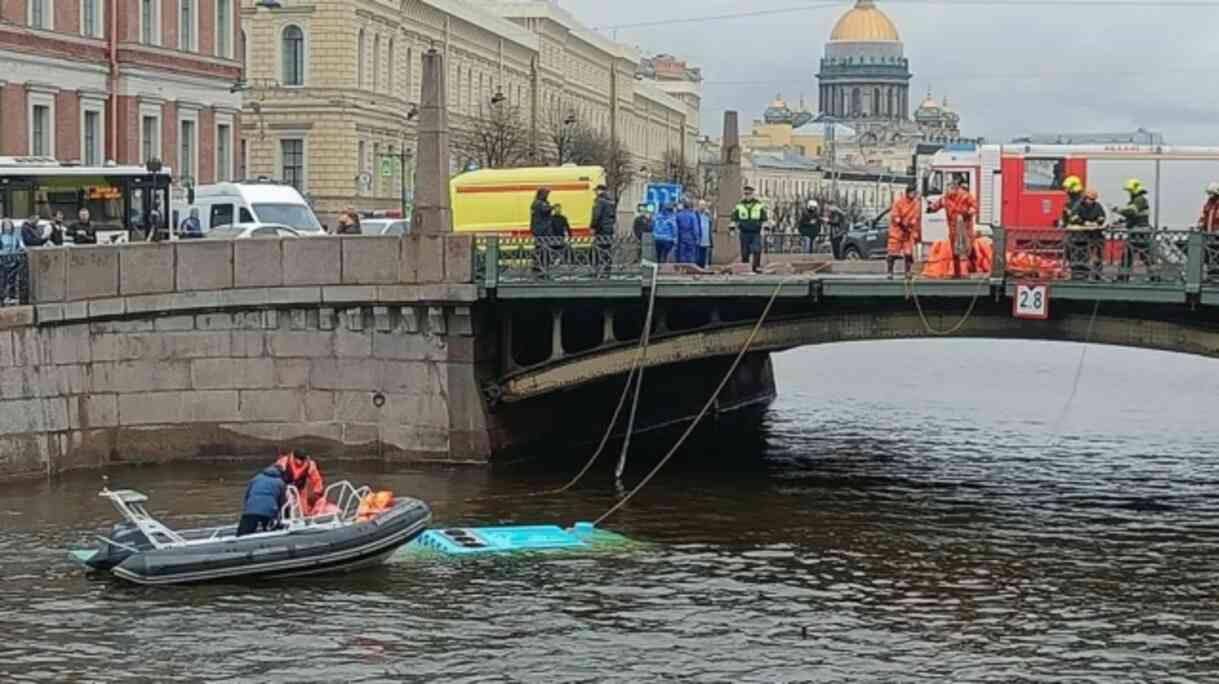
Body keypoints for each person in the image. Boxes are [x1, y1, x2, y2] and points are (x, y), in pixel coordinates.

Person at [928, 176, 978, 278]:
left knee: (964, 250)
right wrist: (930, 208)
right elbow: (937, 205)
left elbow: (974, 206)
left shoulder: (965, 196)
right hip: (953, 229)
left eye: (952, 186)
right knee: (955, 251)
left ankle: (965, 272)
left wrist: (968, 212)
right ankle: (957, 272)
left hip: (964, 228)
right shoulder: (946, 198)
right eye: (949, 187)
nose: (950, 189)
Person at [1065, 189, 1107, 281]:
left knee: (1097, 255)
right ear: (1085, 198)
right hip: (1080, 237)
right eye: (1090, 199)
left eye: (1093, 200)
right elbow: (1073, 217)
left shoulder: (1097, 206)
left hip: (1094, 235)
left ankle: (1097, 275)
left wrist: (1097, 222)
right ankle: (1078, 275)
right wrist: (1084, 223)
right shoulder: (1078, 206)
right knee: (1079, 256)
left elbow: (1102, 216)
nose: (1091, 202)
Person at [1116, 178, 1152, 280]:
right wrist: (1121, 222)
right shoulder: (1136, 200)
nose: (1129, 193)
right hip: (1137, 231)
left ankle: (1123, 277)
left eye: (1130, 190)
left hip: (1140, 232)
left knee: (1134, 255)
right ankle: (1123, 276)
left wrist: (1118, 210)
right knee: (1141, 255)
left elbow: (1132, 212)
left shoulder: (1140, 199)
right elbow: (1133, 216)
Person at [238, 464, 289, 536]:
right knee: (271, 530)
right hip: (269, 511)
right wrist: (282, 516)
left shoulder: (256, 478)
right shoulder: (280, 483)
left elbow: (247, 496)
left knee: (242, 534)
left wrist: (247, 508)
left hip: (250, 509)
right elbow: (282, 502)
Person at [274, 448, 325, 516]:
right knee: (286, 503)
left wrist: (318, 491)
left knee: (303, 509)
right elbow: (275, 475)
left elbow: (316, 479)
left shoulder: (310, 464)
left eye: (302, 460)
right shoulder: (284, 461)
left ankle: (303, 517)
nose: (300, 462)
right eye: (299, 460)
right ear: (294, 457)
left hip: (300, 488)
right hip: (285, 487)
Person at [887, 184, 921, 279]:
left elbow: (916, 218)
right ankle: (890, 272)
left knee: (908, 253)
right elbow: (895, 216)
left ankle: (908, 272)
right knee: (892, 252)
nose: (914, 195)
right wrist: (901, 224)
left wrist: (910, 227)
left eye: (915, 193)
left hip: (908, 232)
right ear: (908, 193)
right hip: (897, 231)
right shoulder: (898, 202)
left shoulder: (915, 204)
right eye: (912, 193)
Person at [731, 185, 767, 273]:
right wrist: (732, 229)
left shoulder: (759, 205)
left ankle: (756, 267)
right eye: (746, 194)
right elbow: (734, 218)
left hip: (756, 232)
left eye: (749, 194)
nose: (747, 196)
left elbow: (764, 218)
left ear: (752, 194)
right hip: (744, 232)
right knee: (745, 252)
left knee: (757, 249)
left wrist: (765, 229)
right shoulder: (739, 205)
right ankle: (745, 268)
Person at [591, 185, 617, 277]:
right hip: (609, 229)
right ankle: (607, 270)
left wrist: (593, 227)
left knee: (598, 250)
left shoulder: (599, 201)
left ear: (599, 191)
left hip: (601, 229)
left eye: (596, 191)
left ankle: (597, 271)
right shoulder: (611, 201)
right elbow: (613, 217)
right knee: (607, 250)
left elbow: (596, 215)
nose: (595, 192)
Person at [530, 188, 554, 275]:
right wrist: (552, 207)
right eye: (546, 194)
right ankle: (541, 266)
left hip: (541, 230)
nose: (547, 195)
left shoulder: (538, 202)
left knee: (540, 248)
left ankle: (539, 266)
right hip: (541, 230)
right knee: (542, 248)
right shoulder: (538, 203)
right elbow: (545, 210)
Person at [697, 199, 713, 267]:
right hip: (698, 238)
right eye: (701, 205)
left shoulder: (707, 214)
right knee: (698, 255)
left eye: (703, 205)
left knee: (705, 254)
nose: (702, 207)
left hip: (706, 238)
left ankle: (706, 265)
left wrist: (709, 215)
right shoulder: (696, 214)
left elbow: (712, 222)